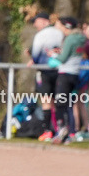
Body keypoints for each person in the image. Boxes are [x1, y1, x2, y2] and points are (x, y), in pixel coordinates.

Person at [27, 12, 63, 141]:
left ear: (43, 21)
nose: (35, 25)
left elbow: (36, 54)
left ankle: (48, 130)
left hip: (45, 71)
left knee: (46, 101)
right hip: (59, 70)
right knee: (57, 102)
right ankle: (58, 129)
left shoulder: (41, 35)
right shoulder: (60, 32)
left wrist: (32, 60)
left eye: (36, 22)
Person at [52, 17, 86, 144]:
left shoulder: (70, 38)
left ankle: (62, 130)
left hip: (65, 73)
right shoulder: (80, 38)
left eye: (60, 26)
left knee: (60, 103)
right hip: (75, 74)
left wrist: (53, 55)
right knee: (68, 105)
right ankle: (68, 134)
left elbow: (63, 58)